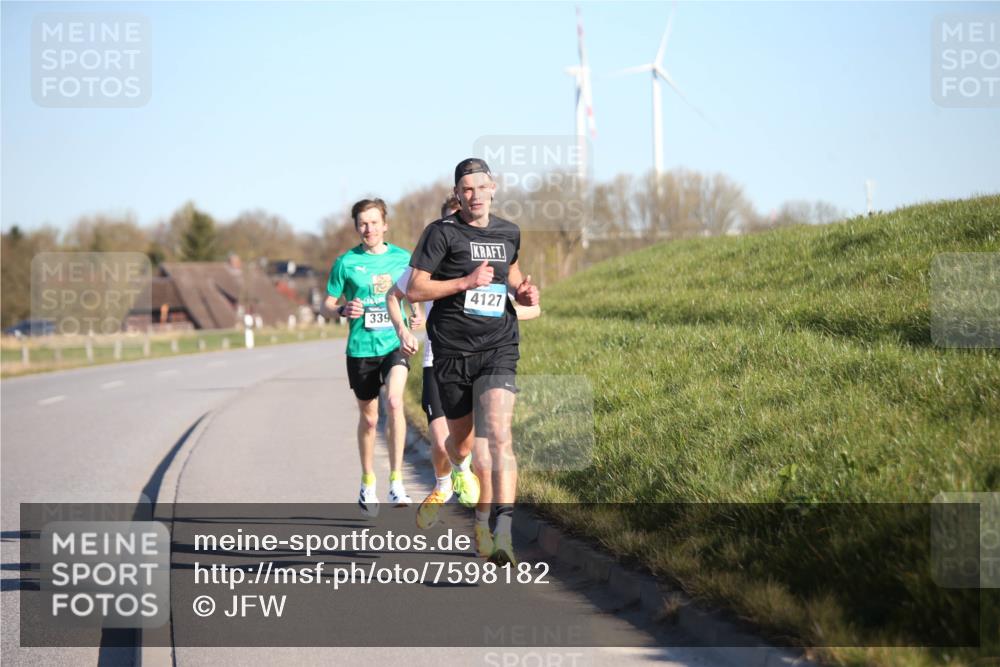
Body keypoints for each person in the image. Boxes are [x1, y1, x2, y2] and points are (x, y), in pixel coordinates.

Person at [406, 159, 540, 565]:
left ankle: (503, 532)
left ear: (494, 188)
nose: (475, 195)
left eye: (482, 187)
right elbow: (414, 289)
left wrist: (524, 292)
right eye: (467, 189)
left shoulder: (508, 232)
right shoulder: (440, 233)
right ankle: (456, 471)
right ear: (457, 193)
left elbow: (512, 274)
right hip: (452, 352)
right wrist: (464, 282)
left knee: (500, 433)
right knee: (460, 443)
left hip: (499, 345)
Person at [324, 198, 413, 518]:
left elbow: (416, 295)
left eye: (374, 222)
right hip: (361, 349)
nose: (368, 228)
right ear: (356, 227)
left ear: (385, 225)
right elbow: (327, 303)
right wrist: (340, 309)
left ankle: (396, 481)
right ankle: (367, 480)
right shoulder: (346, 263)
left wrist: (415, 318)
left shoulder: (404, 259)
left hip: (394, 345)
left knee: (394, 401)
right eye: (362, 223)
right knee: (371, 419)